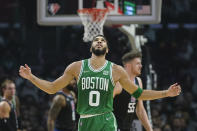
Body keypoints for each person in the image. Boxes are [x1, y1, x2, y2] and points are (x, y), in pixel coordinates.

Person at [19, 35, 181, 131]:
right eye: (96, 40)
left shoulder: (116, 70)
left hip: (106, 120)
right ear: (91, 48)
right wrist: (31, 77)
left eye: (102, 41)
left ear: (107, 49)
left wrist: (165, 93)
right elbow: (52, 88)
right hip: (85, 120)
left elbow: (139, 94)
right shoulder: (76, 67)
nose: (99, 42)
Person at [113, 51, 152, 131]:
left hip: (127, 127)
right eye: (137, 63)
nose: (141, 66)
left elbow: (140, 110)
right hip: (113, 127)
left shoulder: (138, 82)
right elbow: (103, 105)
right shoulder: (118, 82)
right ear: (128, 65)